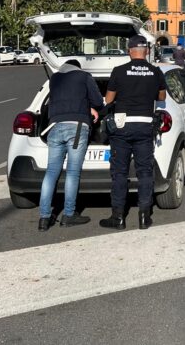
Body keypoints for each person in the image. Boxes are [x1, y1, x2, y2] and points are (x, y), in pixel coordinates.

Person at [100, 35, 167, 231]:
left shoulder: (119, 71)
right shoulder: (155, 72)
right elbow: (161, 97)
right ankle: (144, 217)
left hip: (122, 126)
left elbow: (109, 99)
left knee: (119, 173)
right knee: (145, 172)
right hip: (145, 125)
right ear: (146, 51)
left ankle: (118, 217)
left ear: (129, 50)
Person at [38, 62, 105, 231]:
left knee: (51, 172)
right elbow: (98, 100)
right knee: (73, 172)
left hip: (54, 127)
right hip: (76, 128)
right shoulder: (84, 77)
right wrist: (91, 108)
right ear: (78, 68)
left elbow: (58, 100)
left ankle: (44, 218)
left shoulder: (55, 78)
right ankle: (69, 215)